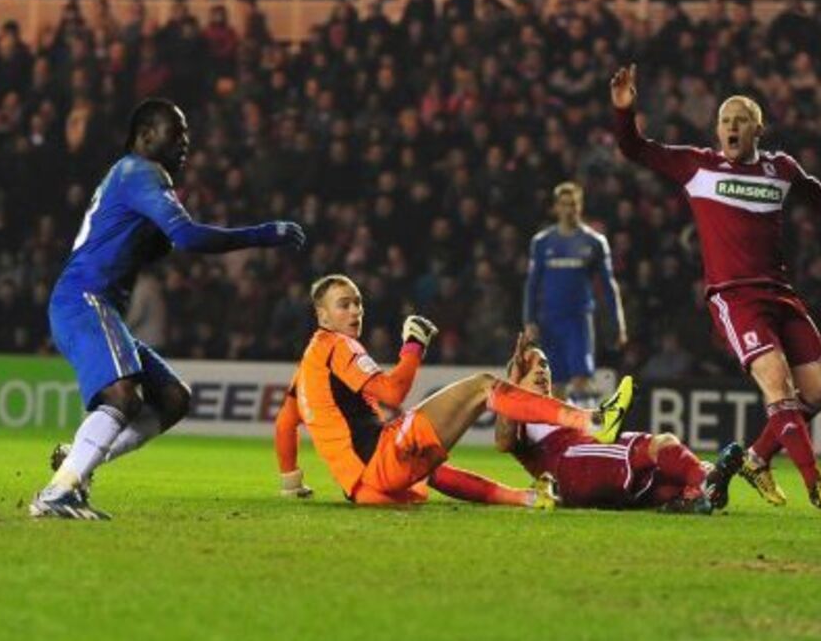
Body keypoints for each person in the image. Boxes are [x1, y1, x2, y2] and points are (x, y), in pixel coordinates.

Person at [610, 64, 821, 514]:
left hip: (780, 293)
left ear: (758, 129)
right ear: (717, 130)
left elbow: (820, 197)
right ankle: (816, 484)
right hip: (734, 296)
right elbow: (635, 148)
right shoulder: (697, 166)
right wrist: (624, 111)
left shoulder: (780, 169)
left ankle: (757, 458)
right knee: (777, 384)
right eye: (725, 120)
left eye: (741, 120)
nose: (731, 126)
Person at [31, 98, 306, 520]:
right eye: (175, 132)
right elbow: (188, 236)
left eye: (186, 134)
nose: (185, 142)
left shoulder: (127, 176)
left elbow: (152, 243)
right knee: (123, 396)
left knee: (173, 398)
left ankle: (77, 462)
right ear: (145, 136)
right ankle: (58, 492)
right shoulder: (141, 171)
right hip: (84, 299)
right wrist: (264, 234)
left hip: (94, 305)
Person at [272, 274, 633, 506]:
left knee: (432, 467)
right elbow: (393, 393)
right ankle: (593, 421)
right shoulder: (338, 345)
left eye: (358, 303)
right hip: (381, 460)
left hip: (365, 489)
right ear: (322, 316)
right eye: (344, 305)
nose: (355, 311)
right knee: (483, 386)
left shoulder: (309, 364)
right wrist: (413, 346)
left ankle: (527, 498)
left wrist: (292, 482)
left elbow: (285, 422)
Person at [494, 335, 742, 514]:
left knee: (662, 481)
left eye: (544, 364)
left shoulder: (562, 406)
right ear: (516, 377)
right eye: (529, 367)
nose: (540, 370)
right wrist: (511, 385)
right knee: (660, 445)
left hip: (584, 467)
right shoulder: (518, 413)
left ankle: (694, 495)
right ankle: (707, 479)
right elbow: (504, 442)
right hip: (572, 462)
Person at [523, 181, 627, 403]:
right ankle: (565, 425)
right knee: (555, 385)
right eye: (564, 204)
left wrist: (618, 322)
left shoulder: (594, 242)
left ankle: (586, 420)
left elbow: (609, 285)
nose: (568, 209)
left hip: (578, 320)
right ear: (556, 207)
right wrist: (529, 320)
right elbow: (532, 284)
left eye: (573, 204)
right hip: (549, 320)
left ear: (580, 206)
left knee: (581, 379)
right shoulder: (542, 242)